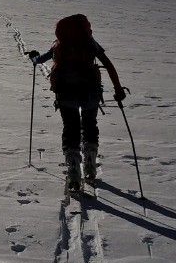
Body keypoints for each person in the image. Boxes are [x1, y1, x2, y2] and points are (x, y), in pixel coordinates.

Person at [26, 14, 126, 191]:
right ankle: (89, 162)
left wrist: (34, 57)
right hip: (90, 93)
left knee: (70, 128)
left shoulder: (59, 45)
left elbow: (40, 60)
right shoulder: (89, 43)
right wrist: (118, 89)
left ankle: (73, 167)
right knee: (90, 125)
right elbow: (109, 65)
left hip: (65, 95)